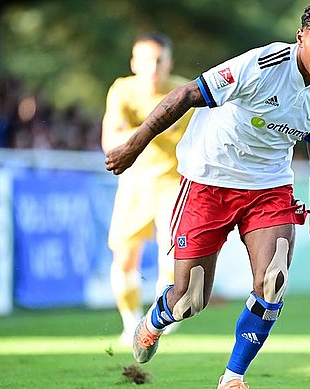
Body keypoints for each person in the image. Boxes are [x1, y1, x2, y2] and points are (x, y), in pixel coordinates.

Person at [105, 1, 310, 387]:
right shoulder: (261, 65)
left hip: (268, 187)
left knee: (273, 279)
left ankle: (233, 377)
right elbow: (187, 94)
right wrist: (134, 145)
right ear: (301, 37)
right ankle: (156, 319)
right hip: (208, 179)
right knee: (189, 300)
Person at [101, 32, 194, 345]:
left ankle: (158, 319)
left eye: (159, 60)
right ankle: (130, 325)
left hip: (174, 184)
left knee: (172, 257)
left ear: (170, 62)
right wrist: (149, 130)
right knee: (125, 259)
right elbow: (110, 140)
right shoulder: (122, 90)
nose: (153, 66)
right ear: (133, 63)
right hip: (134, 183)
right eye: (146, 60)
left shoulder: (186, 92)